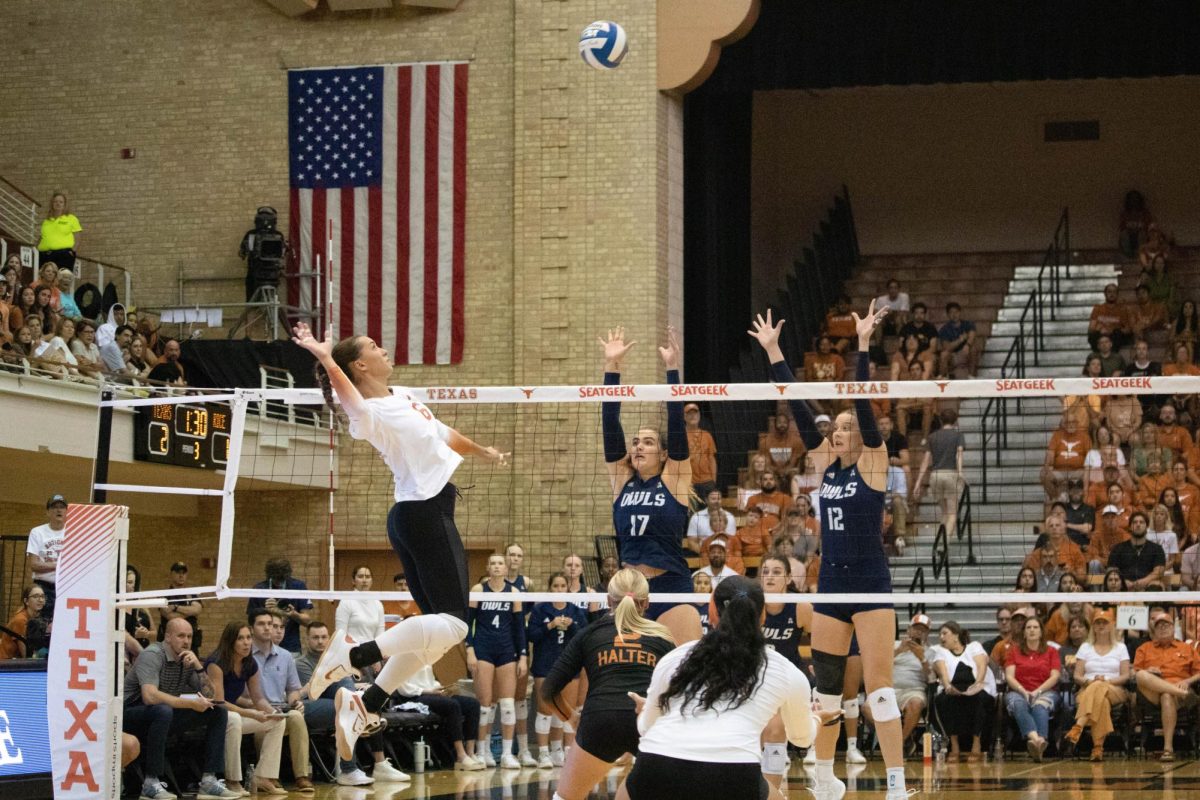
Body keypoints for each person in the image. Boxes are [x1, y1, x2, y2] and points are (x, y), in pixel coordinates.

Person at [290, 320, 509, 763]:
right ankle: (354, 655)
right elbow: (348, 394)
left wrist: (482, 450)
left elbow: (445, 435)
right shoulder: (369, 412)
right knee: (455, 625)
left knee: (434, 637)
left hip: (423, 514)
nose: (383, 348)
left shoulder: (404, 398)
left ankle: (366, 703)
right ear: (360, 365)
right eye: (374, 346)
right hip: (422, 515)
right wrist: (326, 357)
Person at [749, 302, 910, 800]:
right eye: (835, 428)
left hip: (871, 583)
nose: (837, 432)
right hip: (832, 584)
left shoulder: (874, 464)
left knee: (879, 691)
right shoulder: (827, 464)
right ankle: (824, 779)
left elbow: (862, 405)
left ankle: (899, 786)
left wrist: (862, 346)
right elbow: (799, 411)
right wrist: (775, 353)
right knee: (826, 692)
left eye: (845, 427)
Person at [626, 575, 831, 800]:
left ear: (712, 611)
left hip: (657, 764)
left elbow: (645, 728)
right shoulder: (786, 670)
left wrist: (644, 712)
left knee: (625, 791)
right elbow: (801, 739)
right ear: (762, 616)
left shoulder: (676, 657)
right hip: (733, 773)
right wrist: (817, 719)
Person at [599, 325, 702, 643]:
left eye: (648, 442)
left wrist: (673, 369)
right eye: (636, 442)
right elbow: (609, 423)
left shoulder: (673, 480)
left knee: (681, 668)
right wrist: (611, 368)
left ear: (663, 453)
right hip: (630, 589)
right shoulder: (622, 481)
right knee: (631, 668)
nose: (639, 447)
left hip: (670, 584)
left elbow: (676, 423)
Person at [540, 569, 675, 800]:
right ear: (647, 603)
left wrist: (571, 718)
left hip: (600, 719)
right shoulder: (663, 638)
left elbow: (548, 690)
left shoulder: (588, 634)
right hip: (645, 721)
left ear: (607, 600)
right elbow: (679, 693)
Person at [123, 618, 237, 800]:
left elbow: (211, 696)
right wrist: (191, 704)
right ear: (168, 637)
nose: (186, 641)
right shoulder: (152, 654)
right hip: (129, 714)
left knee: (218, 711)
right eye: (181, 636)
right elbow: (150, 696)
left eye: (189, 636)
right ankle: (151, 783)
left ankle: (209, 780)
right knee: (162, 710)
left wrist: (199, 667)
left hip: (161, 715)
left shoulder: (187, 659)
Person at [204, 622, 288, 795]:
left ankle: (263, 776)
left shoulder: (250, 663)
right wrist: (249, 713)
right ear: (230, 642)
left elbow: (258, 698)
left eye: (248, 638)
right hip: (214, 716)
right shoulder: (216, 663)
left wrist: (272, 712)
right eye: (240, 638)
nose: (246, 642)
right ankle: (232, 781)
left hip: (235, 715)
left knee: (277, 721)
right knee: (233, 719)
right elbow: (218, 702)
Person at [466, 553, 527, 769]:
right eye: (493, 563)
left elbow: (519, 627)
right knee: (485, 704)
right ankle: (482, 752)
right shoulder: (478, 590)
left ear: (505, 567)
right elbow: (468, 624)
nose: (497, 566)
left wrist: (523, 656)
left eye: (500, 563)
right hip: (483, 649)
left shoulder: (514, 592)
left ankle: (508, 754)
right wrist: (469, 650)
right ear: (488, 567)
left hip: (506, 650)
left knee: (508, 704)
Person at [758, 555, 813, 792]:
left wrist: (816, 664)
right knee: (766, 728)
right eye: (766, 571)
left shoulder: (800, 607)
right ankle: (767, 770)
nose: (769, 576)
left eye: (776, 572)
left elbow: (820, 640)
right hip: (757, 674)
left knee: (778, 727)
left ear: (788, 578)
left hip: (789, 676)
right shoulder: (752, 604)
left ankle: (774, 785)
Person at [528, 573, 588, 769]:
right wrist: (551, 625)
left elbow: (584, 637)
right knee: (545, 710)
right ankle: (544, 754)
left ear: (568, 589)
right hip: (544, 665)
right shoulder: (540, 610)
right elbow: (532, 636)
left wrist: (572, 627)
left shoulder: (576, 611)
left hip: (569, 666)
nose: (559, 589)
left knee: (565, 711)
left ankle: (563, 751)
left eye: (563, 586)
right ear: (550, 588)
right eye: (555, 586)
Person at [1133, 611, 1200, 761]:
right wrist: (1148, 671)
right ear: (1154, 631)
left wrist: (1187, 681)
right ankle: (1181, 694)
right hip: (1153, 693)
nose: (1162, 628)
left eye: (1166, 624)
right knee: (1141, 675)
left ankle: (1168, 749)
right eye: (1159, 626)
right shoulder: (1144, 648)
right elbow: (1135, 673)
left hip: (1179, 689)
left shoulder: (1186, 648)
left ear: (1173, 627)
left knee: (1167, 696)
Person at [1063, 610, 1130, 762]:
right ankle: (1098, 748)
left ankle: (1078, 726)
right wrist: (1089, 682)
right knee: (1102, 701)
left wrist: (1105, 680)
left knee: (1100, 686)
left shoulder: (1120, 647)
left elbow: (1125, 676)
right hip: (1087, 688)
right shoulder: (1085, 647)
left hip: (1115, 688)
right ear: (1093, 627)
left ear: (1112, 625)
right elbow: (1077, 676)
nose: (1101, 626)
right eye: (1097, 623)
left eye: (1104, 622)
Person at [931, 621, 996, 763]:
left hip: (976, 685)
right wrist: (948, 686)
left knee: (979, 698)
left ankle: (976, 743)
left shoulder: (974, 647)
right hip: (954, 687)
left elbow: (982, 665)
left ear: (956, 635)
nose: (941, 637)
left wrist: (977, 684)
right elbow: (942, 672)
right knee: (944, 700)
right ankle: (954, 745)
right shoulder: (941, 651)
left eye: (944, 633)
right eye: (939, 634)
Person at [1003, 615, 1060, 761]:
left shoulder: (1051, 651)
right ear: (1024, 632)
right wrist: (1023, 691)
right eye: (1028, 627)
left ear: (1041, 632)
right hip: (1018, 690)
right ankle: (1038, 741)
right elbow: (1009, 676)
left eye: (1035, 627)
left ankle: (1036, 744)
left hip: (1045, 690)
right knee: (1018, 704)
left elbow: (1054, 676)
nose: (1032, 630)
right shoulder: (1014, 651)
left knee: (1039, 705)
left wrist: (1037, 691)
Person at [912, 408, 966, 537]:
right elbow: (959, 454)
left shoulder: (932, 436)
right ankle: (944, 545)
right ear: (955, 421)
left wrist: (918, 482)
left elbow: (925, 461)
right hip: (951, 474)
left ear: (941, 420)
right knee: (952, 513)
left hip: (935, 476)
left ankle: (939, 543)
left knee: (944, 513)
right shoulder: (958, 435)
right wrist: (960, 472)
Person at [245, 558, 313, 653]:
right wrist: (265, 611)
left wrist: (293, 614)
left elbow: (308, 622)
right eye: (276, 580)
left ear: (287, 576)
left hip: (291, 647)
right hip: (263, 647)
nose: (279, 583)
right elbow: (251, 622)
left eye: (282, 580)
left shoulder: (298, 587)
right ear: (269, 576)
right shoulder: (259, 589)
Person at [27, 494, 67, 619]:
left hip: (66, 586)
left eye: (62, 507)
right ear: (48, 512)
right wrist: (59, 564)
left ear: (66, 512)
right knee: (42, 625)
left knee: (64, 622)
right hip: (43, 586)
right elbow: (34, 565)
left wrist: (45, 565)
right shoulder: (37, 532)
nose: (59, 510)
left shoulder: (72, 533)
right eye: (54, 507)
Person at [158, 562, 204, 651]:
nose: (181, 575)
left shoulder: (191, 594)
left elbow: (197, 610)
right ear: (171, 574)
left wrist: (176, 608)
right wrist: (190, 612)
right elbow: (170, 616)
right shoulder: (165, 595)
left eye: (184, 573)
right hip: (171, 644)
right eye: (178, 573)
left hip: (191, 644)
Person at [336, 565, 385, 645]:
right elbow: (340, 634)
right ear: (353, 581)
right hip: (351, 651)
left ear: (371, 581)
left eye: (368, 577)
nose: (364, 580)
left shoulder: (378, 604)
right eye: (360, 576)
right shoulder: (346, 602)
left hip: (371, 652)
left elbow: (380, 635)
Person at [0, 585, 48, 659]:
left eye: (42, 596)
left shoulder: (37, 618)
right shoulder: (21, 620)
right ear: (26, 601)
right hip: (7, 663)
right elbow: (25, 655)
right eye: (36, 596)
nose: (40, 600)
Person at [38, 192, 82, 271]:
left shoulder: (71, 219)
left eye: (61, 202)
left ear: (65, 205)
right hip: (45, 256)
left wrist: (72, 252)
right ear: (52, 204)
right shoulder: (47, 221)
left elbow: (77, 238)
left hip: (64, 256)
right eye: (55, 201)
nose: (58, 204)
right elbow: (41, 237)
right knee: (45, 281)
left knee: (62, 279)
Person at [683, 402, 719, 498]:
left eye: (695, 413)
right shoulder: (681, 437)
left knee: (709, 512)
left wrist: (713, 481)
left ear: (699, 415)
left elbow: (711, 459)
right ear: (684, 417)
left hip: (708, 483)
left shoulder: (707, 435)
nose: (692, 416)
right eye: (689, 413)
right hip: (689, 484)